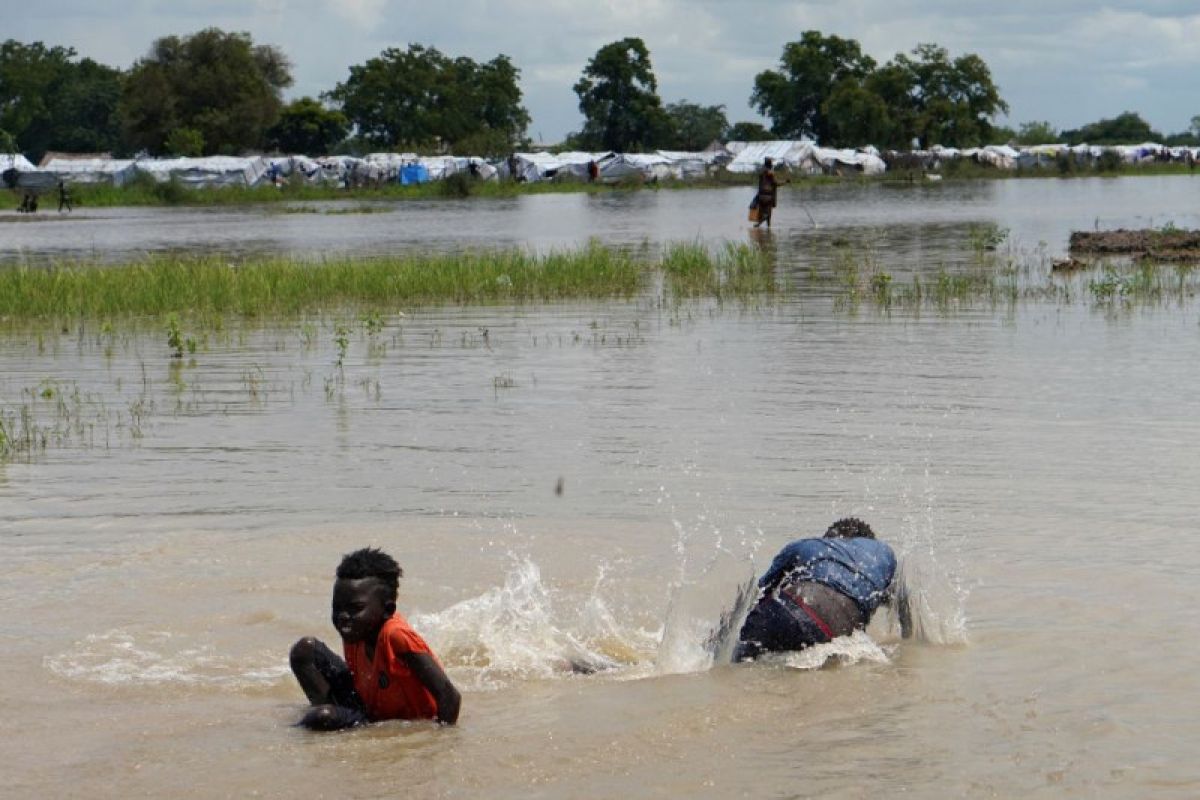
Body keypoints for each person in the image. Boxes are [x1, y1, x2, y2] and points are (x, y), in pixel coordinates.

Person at [290, 547, 461, 730]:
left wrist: (440, 741)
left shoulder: (396, 636)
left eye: (356, 608)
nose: (343, 616)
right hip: (366, 707)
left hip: (391, 721)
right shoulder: (355, 630)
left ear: (387, 610)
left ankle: (324, 724)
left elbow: (450, 696)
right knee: (304, 650)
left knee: (323, 717)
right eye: (337, 607)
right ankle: (331, 720)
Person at [733, 517, 910, 661]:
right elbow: (905, 618)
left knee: (743, 663)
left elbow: (759, 592)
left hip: (787, 608)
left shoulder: (807, 545)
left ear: (829, 538)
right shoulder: (884, 556)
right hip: (832, 629)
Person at [753, 157, 787, 229]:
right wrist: (785, 182)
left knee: (763, 213)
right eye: (772, 164)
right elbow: (776, 183)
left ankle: (768, 229)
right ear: (770, 165)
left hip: (761, 196)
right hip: (768, 196)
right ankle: (760, 223)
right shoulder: (770, 173)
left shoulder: (761, 173)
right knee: (768, 214)